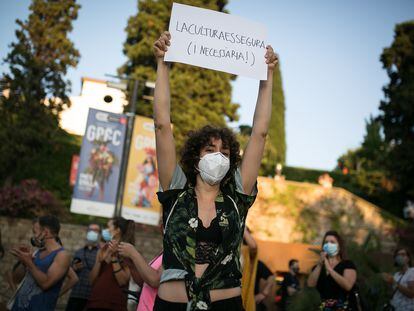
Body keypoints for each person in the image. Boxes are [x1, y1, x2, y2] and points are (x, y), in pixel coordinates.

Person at [152, 30, 278, 311]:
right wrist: (162, 64)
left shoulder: (237, 196)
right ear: (195, 157)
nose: (217, 156)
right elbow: (162, 124)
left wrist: (266, 78)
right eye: (210, 149)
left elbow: (259, 134)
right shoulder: (176, 192)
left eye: (225, 151)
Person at [9, 215, 72, 311]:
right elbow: (16, 279)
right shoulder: (37, 252)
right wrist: (23, 262)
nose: (33, 236)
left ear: (45, 232)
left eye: (35, 232)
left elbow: (46, 284)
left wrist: (29, 263)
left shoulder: (62, 255)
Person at [86, 217, 135, 311]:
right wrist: (99, 261)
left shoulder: (127, 250)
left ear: (117, 230)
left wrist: (113, 256)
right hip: (95, 301)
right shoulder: (103, 249)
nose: (106, 230)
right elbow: (92, 280)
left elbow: (122, 281)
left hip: (114, 303)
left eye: (108, 227)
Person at [307, 230, 357, 310]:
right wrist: (320, 265)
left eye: (332, 242)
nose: (329, 244)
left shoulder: (347, 264)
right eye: (326, 242)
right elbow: (310, 284)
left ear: (339, 246)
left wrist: (330, 269)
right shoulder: (318, 267)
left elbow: (348, 286)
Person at [65, 223, 101, 311]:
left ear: (99, 234)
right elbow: (69, 272)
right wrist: (74, 268)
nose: (93, 232)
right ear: (87, 232)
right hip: (76, 294)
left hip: (92, 297)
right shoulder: (78, 252)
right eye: (90, 230)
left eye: (95, 230)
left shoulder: (101, 253)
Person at [117, 242, 163, 311]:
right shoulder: (163, 253)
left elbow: (155, 281)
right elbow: (144, 283)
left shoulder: (174, 252)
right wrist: (131, 265)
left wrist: (133, 253)